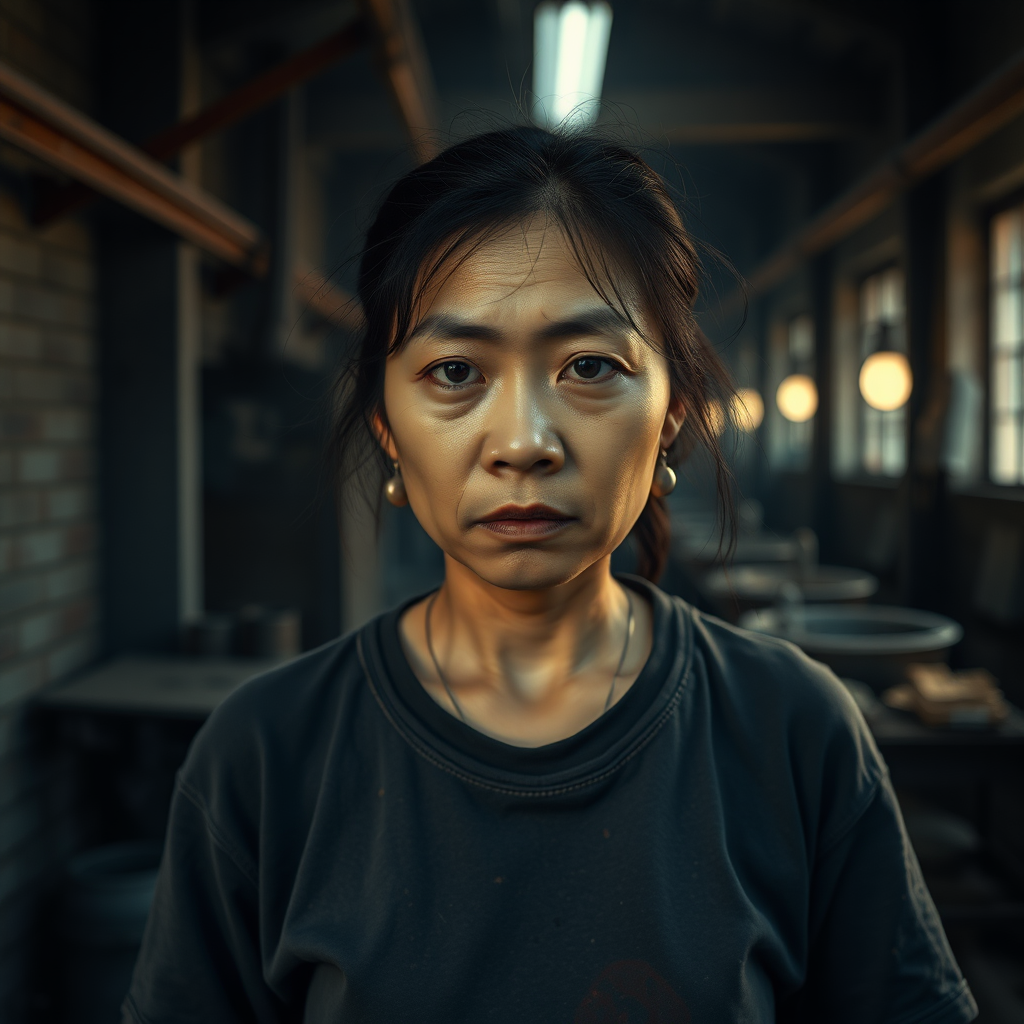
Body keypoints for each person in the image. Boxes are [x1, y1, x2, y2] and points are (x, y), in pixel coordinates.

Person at [123, 126, 976, 1024]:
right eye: (455, 371)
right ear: (386, 424)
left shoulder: (794, 732)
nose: (525, 442)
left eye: (590, 367)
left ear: (671, 413)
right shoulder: (265, 756)